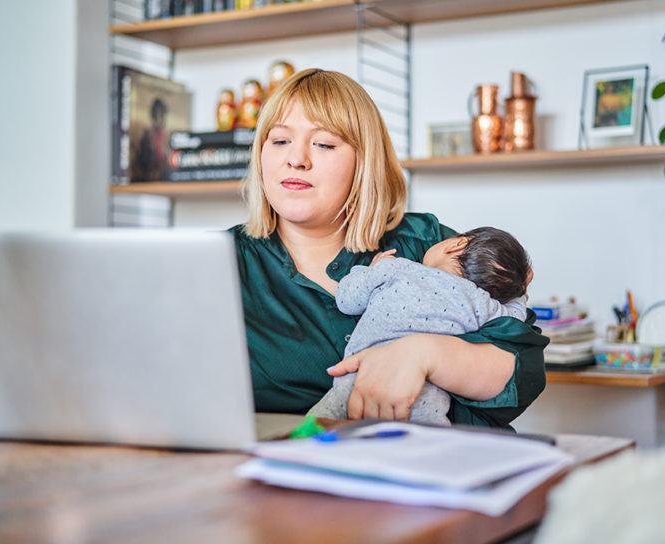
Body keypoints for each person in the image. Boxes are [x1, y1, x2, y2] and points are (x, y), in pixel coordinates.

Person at [230, 68, 548, 429]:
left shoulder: (429, 243)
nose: (297, 159)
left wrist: (424, 355)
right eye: (280, 140)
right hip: (294, 467)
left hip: (437, 466)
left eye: (324, 144)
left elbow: (524, 367)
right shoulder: (221, 261)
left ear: (364, 162)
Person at [308, 226, 532, 426]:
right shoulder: (481, 303)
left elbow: (346, 300)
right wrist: (520, 293)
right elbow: (514, 318)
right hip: (422, 394)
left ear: (457, 244)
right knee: (426, 446)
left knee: (314, 429)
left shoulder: (398, 269)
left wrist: (369, 269)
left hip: (357, 377)